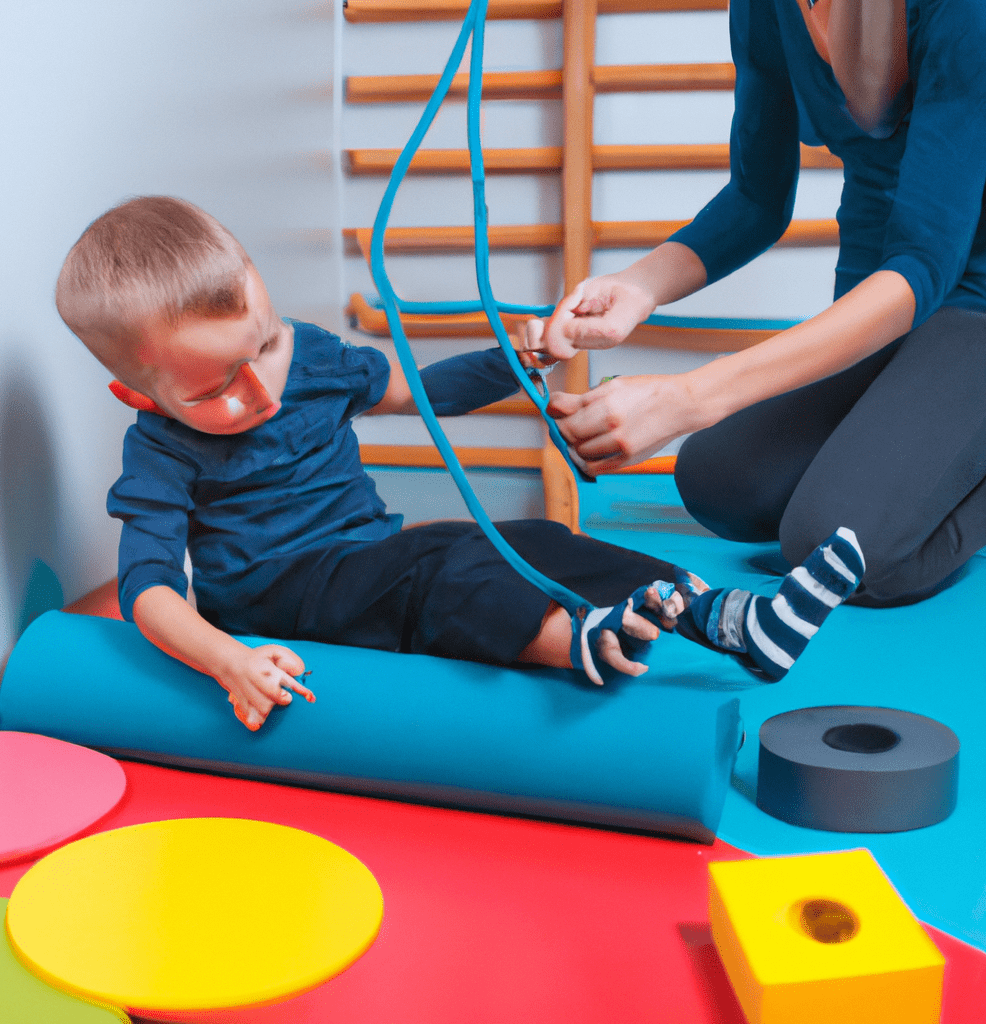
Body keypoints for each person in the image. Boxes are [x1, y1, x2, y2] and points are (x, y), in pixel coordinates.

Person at [56, 196, 864, 731]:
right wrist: (228, 660)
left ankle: (731, 619)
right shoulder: (160, 449)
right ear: (139, 395)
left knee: (536, 540)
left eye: (263, 344)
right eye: (216, 387)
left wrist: (521, 358)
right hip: (278, 599)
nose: (260, 386)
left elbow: (418, 391)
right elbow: (149, 590)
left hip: (363, 555)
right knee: (441, 562)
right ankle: (574, 642)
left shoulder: (309, 358)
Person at [521, 0, 986, 608]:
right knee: (717, 481)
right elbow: (756, 198)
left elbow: (924, 264)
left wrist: (690, 396)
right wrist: (639, 287)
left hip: (971, 306)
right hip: (879, 297)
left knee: (833, 550)